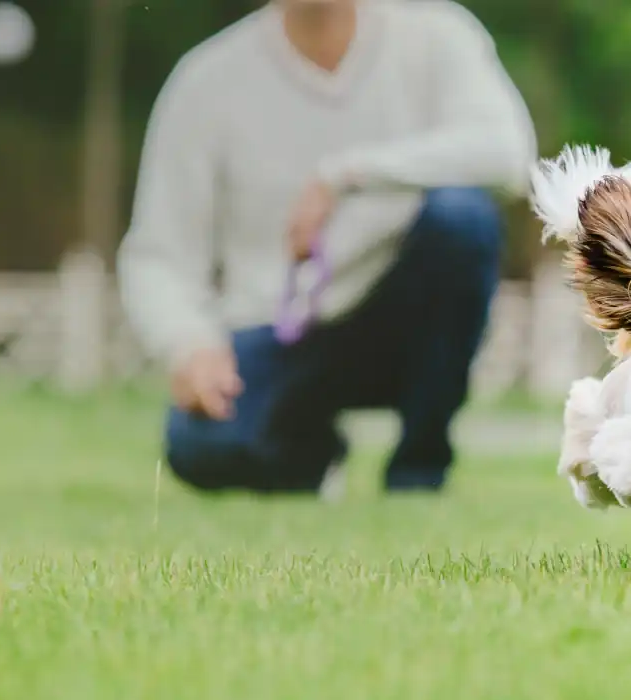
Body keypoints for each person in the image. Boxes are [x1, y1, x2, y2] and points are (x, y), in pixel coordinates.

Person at [116, 0, 536, 499]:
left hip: (405, 318)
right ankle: (310, 451)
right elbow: (158, 255)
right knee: (199, 445)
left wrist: (346, 174)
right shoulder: (205, 79)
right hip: (279, 329)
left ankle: (419, 469)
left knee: (463, 218)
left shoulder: (438, 35)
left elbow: (507, 155)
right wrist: (188, 343)